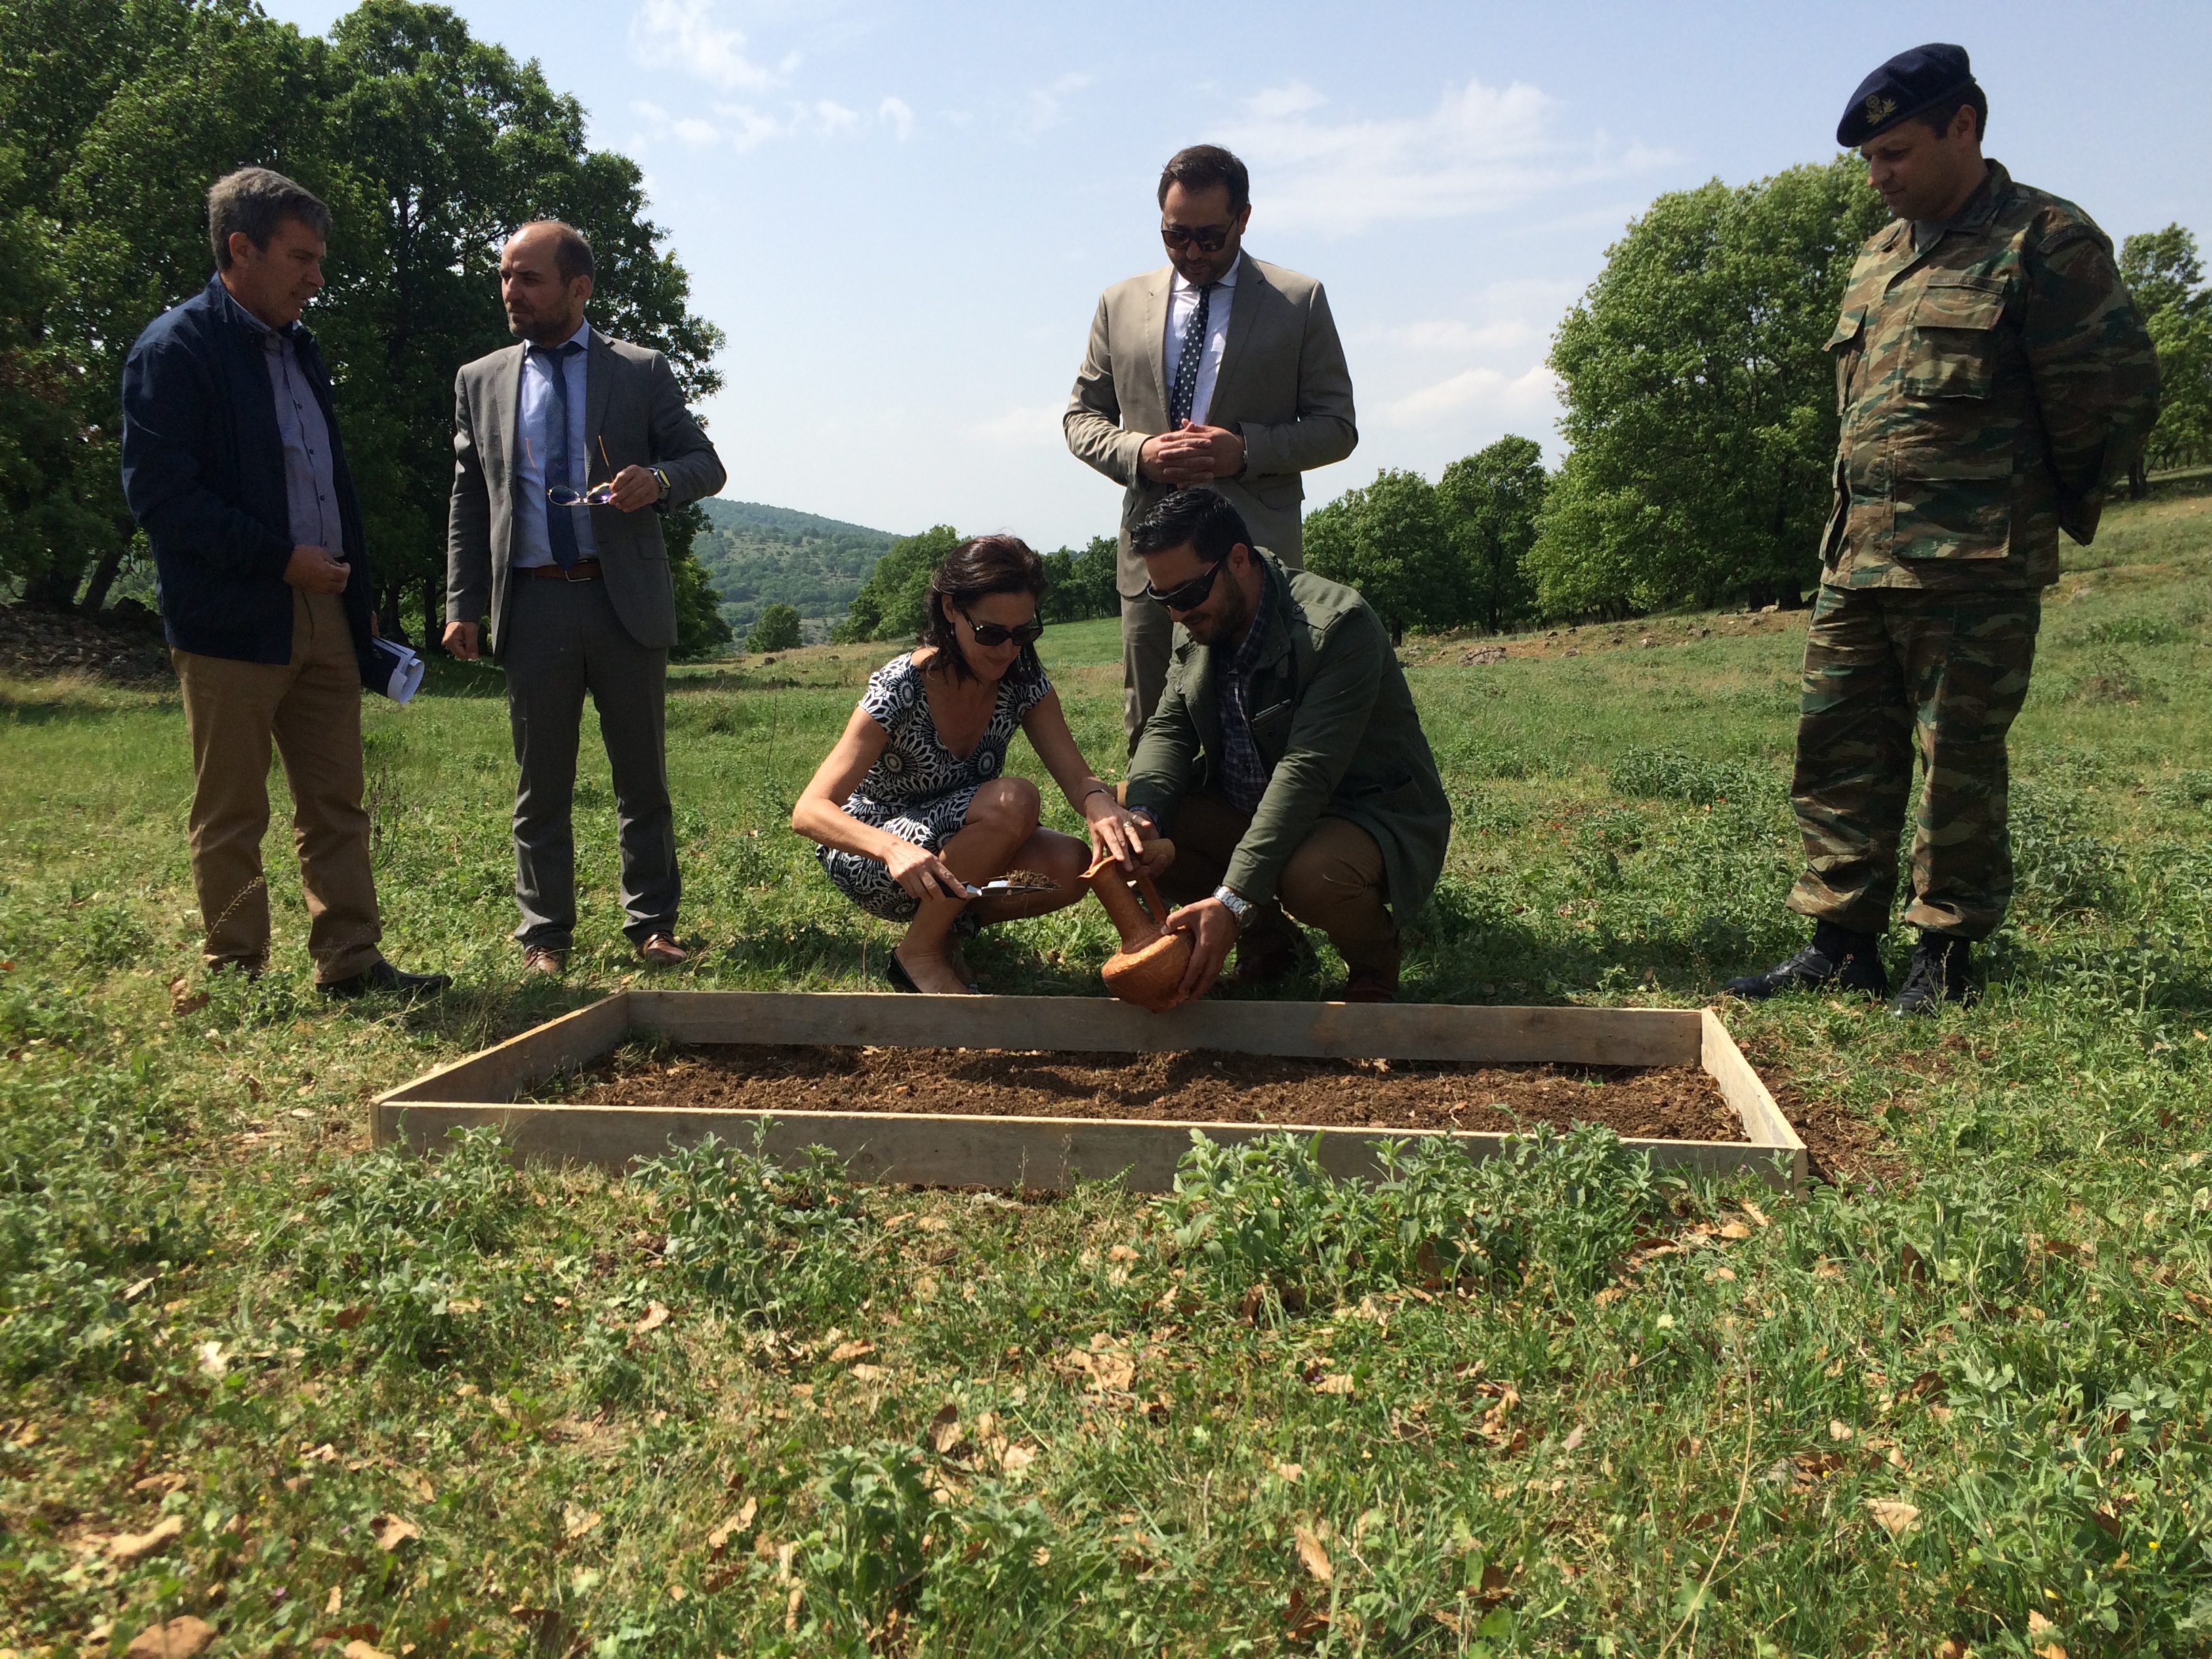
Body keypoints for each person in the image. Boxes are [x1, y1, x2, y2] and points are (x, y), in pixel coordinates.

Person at [1725, 44, 2160, 1017]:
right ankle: (1841, 942)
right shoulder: (1879, 258)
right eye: (1870, 160)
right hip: (1858, 559)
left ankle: (1946, 956)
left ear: (1965, 126)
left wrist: (2031, 506)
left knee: (1957, 762)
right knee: (1835, 752)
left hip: (1974, 561)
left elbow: (2113, 394)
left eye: (1896, 152)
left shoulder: (2045, 240)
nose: (1879, 178)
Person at [119, 167, 449, 1002]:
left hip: (326, 614)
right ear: (241, 248)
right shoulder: (175, 349)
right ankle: (237, 974)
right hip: (232, 622)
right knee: (232, 808)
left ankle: (353, 964)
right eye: (301, 257)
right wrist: (279, 560)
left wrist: (352, 591)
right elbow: (163, 499)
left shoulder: (299, 349)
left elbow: (325, 484)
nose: (317, 277)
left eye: (319, 259)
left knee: (336, 801)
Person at [445, 220, 727, 976]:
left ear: (579, 287)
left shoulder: (639, 371)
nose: (512, 291)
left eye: (529, 277)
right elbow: (470, 500)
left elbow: (706, 463)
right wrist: (461, 603)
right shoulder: (481, 379)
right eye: (506, 276)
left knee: (643, 778)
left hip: (622, 602)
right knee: (542, 784)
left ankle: (653, 926)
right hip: (532, 604)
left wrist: (658, 482)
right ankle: (545, 937)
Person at [1065, 144, 1358, 755]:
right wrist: (1140, 453)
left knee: (1264, 721)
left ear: (1244, 218)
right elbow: (1080, 418)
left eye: (1209, 237)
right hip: (1152, 556)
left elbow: (1337, 426)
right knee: (1153, 730)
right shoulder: (1118, 303)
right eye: (1176, 237)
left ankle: (1262, 849)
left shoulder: (1298, 300)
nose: (1192, 253)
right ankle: (1157, 844)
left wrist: (1243, 450)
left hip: (1253, 556)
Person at [1121, 489, 1451, 1005]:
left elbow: (1307, 772)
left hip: (1360, 811)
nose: (1176, 616)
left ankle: (1373, 965)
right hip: (1255, 804)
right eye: (1163, 600)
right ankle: (1273, 947)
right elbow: (1169, 728)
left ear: (1238, 559)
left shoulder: (1337, 627)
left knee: (1314, 876)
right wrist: (1142, 814)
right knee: (1136, 816)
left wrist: (1230, 902)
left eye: (1185, 596)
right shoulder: (1199, 624)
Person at [793, 536, 1153, 996]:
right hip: (877, 855)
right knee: (1014, 799)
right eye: (991, 633)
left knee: (1069, 863)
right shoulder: (900, 686)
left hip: (958, 853)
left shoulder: (1021, 678)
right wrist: (891, 849)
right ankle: (917, 955)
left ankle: (946, 936)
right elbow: (809, 811)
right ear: (950, 611)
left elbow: (1076, 775)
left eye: (1023, 633)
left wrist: (1100, 804)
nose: (1007, 650)